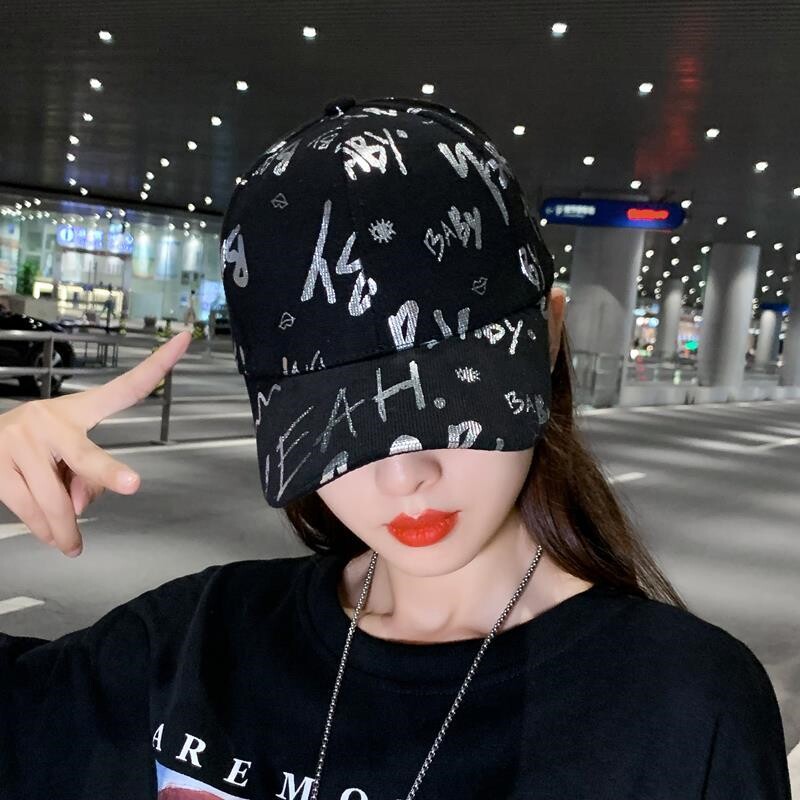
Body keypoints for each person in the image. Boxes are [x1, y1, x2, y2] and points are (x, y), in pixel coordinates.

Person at [0, 97, 792, 799]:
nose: (406, 473)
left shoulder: (685, 706)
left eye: (457, 394)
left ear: (549, 335)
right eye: (339, 418)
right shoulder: (191, 645)